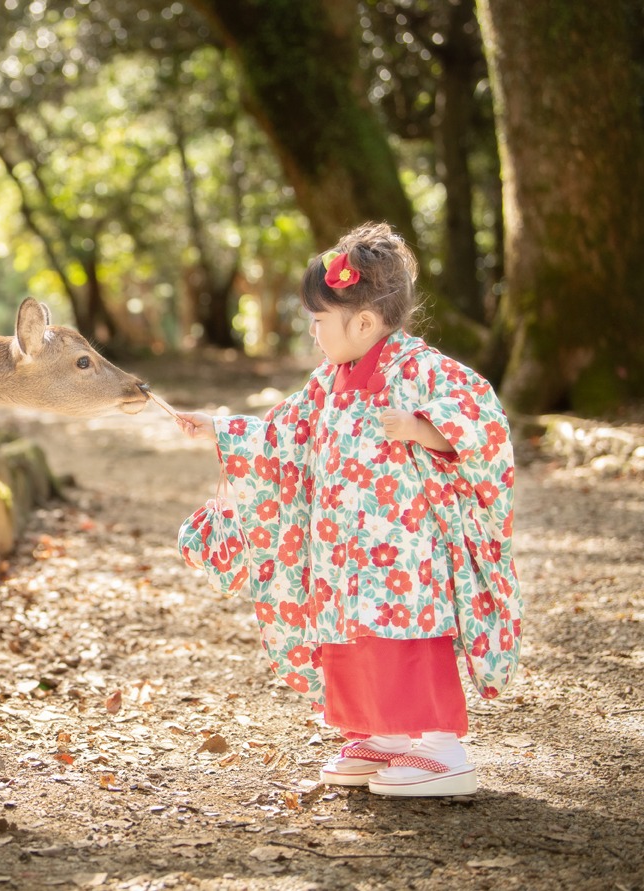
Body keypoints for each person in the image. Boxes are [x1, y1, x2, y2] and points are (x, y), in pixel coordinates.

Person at [174, 222, 522, 797]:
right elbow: (285, 436)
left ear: (363, 322)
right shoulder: (328, 383)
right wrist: (222, 428)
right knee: (352, 632)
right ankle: (384, 734)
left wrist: (421, 428)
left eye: (319, 322)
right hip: (342, 547)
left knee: (406, 630)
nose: (313, 334)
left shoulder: (420, 368)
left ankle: (441, 746)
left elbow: (482, 424)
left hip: (404, 547)